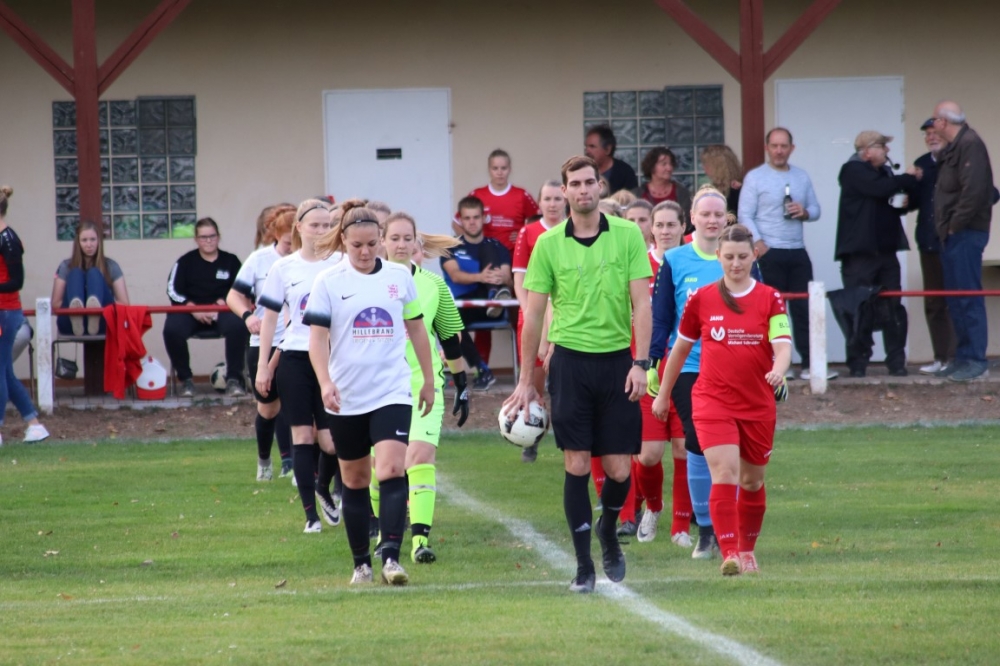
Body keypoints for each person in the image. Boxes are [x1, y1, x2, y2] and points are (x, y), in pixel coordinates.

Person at [504, 155, 652, 594]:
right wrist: (526, 381)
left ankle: (609, 529)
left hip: (617, 363)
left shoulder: (627, 234)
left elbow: (642, 304)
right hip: (568, 363)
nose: (583, 189)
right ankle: (584, 565)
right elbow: (533, 316)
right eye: (575, 183)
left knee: (620, 470)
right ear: (564, 190)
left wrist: (641, 363)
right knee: (577, 463)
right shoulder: (548, 243)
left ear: (599, 186)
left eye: (590, 182)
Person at [306, 200, 436, 587]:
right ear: (343, 241)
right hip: (347, 395)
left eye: (371, 244)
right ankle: (361, 563)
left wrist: (428, 380)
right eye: (356, 245)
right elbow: (317, 340)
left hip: (392, 390)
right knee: (356, 478)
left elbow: (417, 329)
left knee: (393, 468)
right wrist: (325, 382)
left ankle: (391, 558)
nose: (364, 253)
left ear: (381, 239)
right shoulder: (328, 282)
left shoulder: (399, 276)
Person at [653, 224, 792, 576]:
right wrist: (664, 394)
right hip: (712, 400)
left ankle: (747, 549)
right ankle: (729, 553)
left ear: (754, 256)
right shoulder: (701, 299)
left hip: (757, 403)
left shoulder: (770, 298)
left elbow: (782, 345)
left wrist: (778, 371)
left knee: (752, 481)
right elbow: (678, 350)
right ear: (718, 256)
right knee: (725, 472)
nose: (735, 264)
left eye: (742, 256)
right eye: (729, 257)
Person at [649, 186, 742, 559]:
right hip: (688, 366)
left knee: (732, 449)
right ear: (692, 218)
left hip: (734, 367)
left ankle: (728, 527)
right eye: (705, 214)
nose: (712, 220)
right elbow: (661, 319)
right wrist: (651, 363)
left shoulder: (739, 257)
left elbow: (761, 311)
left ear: (726, 217)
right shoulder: (675, 260)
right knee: (699, 440)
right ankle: (706, 530)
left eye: (719, 214)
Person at [380, 211, 470, 563]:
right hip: (377, 387)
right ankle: (380, 533)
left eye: (408, 238)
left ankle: (419, 541)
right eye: (395, 238)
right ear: (383, 242)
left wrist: (461, 383)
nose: (401, 245)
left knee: (419, 456)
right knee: (382, 466)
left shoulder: (433, 285)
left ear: (417, 242)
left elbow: (450, 337)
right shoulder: (366, 281)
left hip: (423, 384)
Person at [255, 199, 342, 532]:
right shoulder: (283, 268)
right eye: (314, 225)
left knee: (331, 442)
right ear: (299, 227)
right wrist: (264, 365)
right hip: (294, 360)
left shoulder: (340, 263)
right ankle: (311, 518)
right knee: (302, 436)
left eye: (326, 225)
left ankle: (323, 488)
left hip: (332, 362)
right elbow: (270, 320)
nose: (320, 230)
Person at [738, 127, 833, 380]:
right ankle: (779, 366)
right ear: (767, 148)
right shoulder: (755, 177)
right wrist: (759, 243)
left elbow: (816, 209)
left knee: (805, 308)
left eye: (784, 146)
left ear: (792, 148)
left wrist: (805, 212)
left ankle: (812, 366)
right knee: (773, 312)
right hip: (769, 253)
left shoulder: (801, 176)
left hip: (797, 250)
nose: (779, 151)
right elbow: (745, 214)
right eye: (774, 146)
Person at [834, 131, 919, 378]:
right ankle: (858, 364)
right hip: (859, 255)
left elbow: (888, 196)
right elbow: (879, 189)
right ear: (867, 151)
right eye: (882, 146)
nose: (887, 150)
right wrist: (907, 177)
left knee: (894, 307)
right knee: (859, 308)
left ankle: (896, 362)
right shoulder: (852, 170)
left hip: (886, 252)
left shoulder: (886, 174)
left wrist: (905, 201)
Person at [635, 200, 691, 544]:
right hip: (649, 371)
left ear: (684, 227)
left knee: (684, 449)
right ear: (651, 228)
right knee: (648, 455)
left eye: (672, 224)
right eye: (660, 225)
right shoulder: (638, 265)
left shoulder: (694, 263)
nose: (666, 231)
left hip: (686, 370)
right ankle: (653, 508)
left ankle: (681, 527)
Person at [227, 206, 295, 481]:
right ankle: (264, 460)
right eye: (288, 242)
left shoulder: (309, 261)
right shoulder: (259, 260)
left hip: (298, 343)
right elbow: (233, 296)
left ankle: (297, 466)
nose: (292, 248)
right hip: (265, 342)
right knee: (269, 408)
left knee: (300, 406)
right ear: (275, 235)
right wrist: (247, 316)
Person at [932, 101, 995, 382]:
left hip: (966, 233)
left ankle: (975, 359)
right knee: (956, 298)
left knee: (968, 296)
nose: (932, 125)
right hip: (954, 234)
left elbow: (975, 191)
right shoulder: (954, 148)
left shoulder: (970, 144)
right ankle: (963, 357)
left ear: (943, 122)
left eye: (934, 120)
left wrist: (954, 225)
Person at [511, 180, 563, 463]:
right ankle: (529, 437)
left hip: (565, 315)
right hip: (534, 314)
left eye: (557, 198)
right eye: (548, 199)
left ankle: (569, 437)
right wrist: (533, 312)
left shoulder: (573, 231)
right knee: (534, 379)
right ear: (540, 203)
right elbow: (519, 279)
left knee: (564, 379)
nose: (553, 204)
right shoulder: (528, 232)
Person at [164, 217, 245, 397]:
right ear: (196, 239)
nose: (208, 240)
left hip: (222, 311)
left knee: (238, 325)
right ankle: (186, 381)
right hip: (190, 312)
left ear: (218, 237)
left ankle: (234, 380)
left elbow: (241, 288)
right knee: (172, 329)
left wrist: (223, 303)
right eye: (203, 237)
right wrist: (192, 308)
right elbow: (172, 290)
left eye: (212, 236)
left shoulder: (231, 261)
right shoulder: (185, 262)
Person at [441, 195, 512, 390]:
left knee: (489, 246)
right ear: (460, 220)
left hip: (492, 302)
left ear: (483, 218)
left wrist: (502, 278)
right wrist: (481, 277)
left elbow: (508, 277)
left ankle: (494, 296)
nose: (472, 222)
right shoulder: (450, 247)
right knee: (448, 320)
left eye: (476, 217)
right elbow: (455, 276)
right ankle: (482, 369)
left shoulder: (497, 246)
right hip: (463, 305)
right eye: (467, 218)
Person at [0, 186, 49, 445]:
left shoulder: (8, 240)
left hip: (5, 312)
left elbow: (16, 281)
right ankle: (34, 425)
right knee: (5, 371)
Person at [908, 119, 955, 376]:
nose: (931, 137)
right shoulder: (922, 163)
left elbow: (989, 193)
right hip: (928, 242)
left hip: (955, 242)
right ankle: (941, 357)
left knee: (958, 300)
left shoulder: (959, 159)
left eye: (935, 133)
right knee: (934, 302)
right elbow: (917, 200)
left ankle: (959, 358)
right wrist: (906, 188)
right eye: (927, 134)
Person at [51, 220, 130, 337]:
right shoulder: (65, 266)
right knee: (75, 273)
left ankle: (94, 313)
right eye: (84, 240)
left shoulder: (111, 266)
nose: (89, 244)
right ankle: (77, 313)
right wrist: (80, 304)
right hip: (70, 324)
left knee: (94, 273)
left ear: (99, 241)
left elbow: (125, 304)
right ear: (78, 242)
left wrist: (101, 305)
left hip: (103, 321)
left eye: (93, 239)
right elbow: (55, 304)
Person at [464, 149, 540, 254]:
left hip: (514, 255)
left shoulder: (522, 195)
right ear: (489, 170)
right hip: (484, 255)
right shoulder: (477, 195)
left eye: (503, 168)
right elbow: (457, 223)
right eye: (495, 168)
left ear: (510, 169)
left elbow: (539, 222)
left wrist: (525, 235)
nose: (499, 173)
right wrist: (471, 243)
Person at [632, 147, 693, 229]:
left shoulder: (682, 193)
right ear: (652, 166)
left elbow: (686, 222)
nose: (669, 168)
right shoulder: (637, 194)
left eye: (671, 164)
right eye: (664, 164)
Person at [585, 124, 638, 194]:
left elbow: (632, 198)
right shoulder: (583, 171)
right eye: (586, 146)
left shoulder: (625, 172)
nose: (587, 151)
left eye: (592, 146)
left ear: (607, 149)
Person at [700, 144, 743, 216]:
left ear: (719, 167)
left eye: (706, 164)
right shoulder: (711, 190)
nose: (704, 168)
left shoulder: (739, 192)